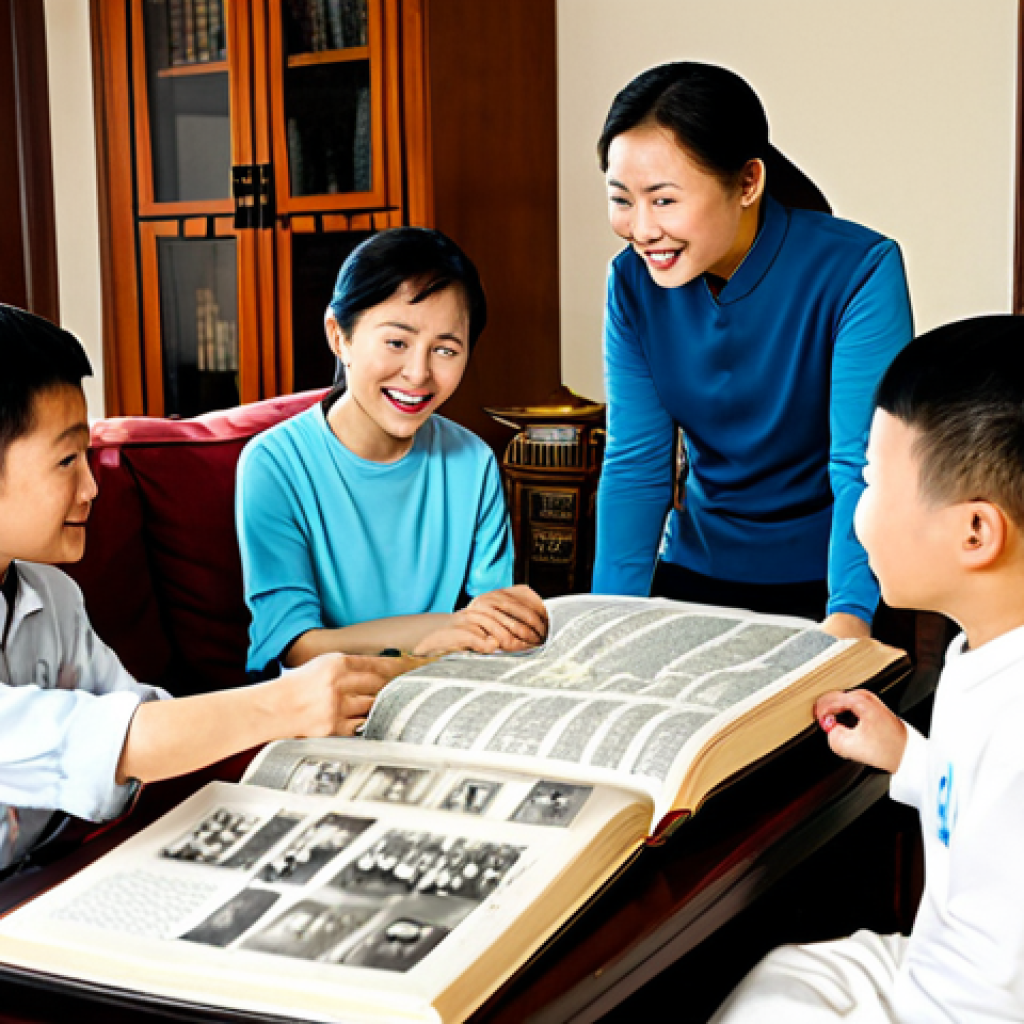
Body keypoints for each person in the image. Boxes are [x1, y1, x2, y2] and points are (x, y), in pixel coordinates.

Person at [0, 304, 407, 874]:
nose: (92, 486)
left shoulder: (53, 596)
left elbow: (141, 725)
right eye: (67, 459)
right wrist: (287, 701)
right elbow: (104, 741)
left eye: (88, 455)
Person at [710, 315, 1024, 1022]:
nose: (856, 518)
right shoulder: (984, 649)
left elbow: (997, 983)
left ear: (975, 531)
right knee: (784, 972)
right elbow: (969, 811)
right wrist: (909, 758)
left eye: (874, 484)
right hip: (929, 966)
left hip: (965, 1002)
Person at [592, 62, 913, 638]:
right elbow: (637, 464)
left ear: (747, 183)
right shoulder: (631, 284)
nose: (640, 229)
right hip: (696, 573)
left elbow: (861, 465)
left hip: (836, 580)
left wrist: (849, 615)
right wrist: (608, 620)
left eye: (663, 201)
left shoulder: (860, 270)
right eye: (622, 200)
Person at [236, 227, 548, 677]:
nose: (418, 373)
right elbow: (297, 647)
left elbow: (489, 621)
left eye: (445, 349)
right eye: (396, 343)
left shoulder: (473, 461)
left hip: (443, 688)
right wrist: (439, 634)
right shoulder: (274, 465)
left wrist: (510, 620)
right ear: (339, 337)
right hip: (327, 706)